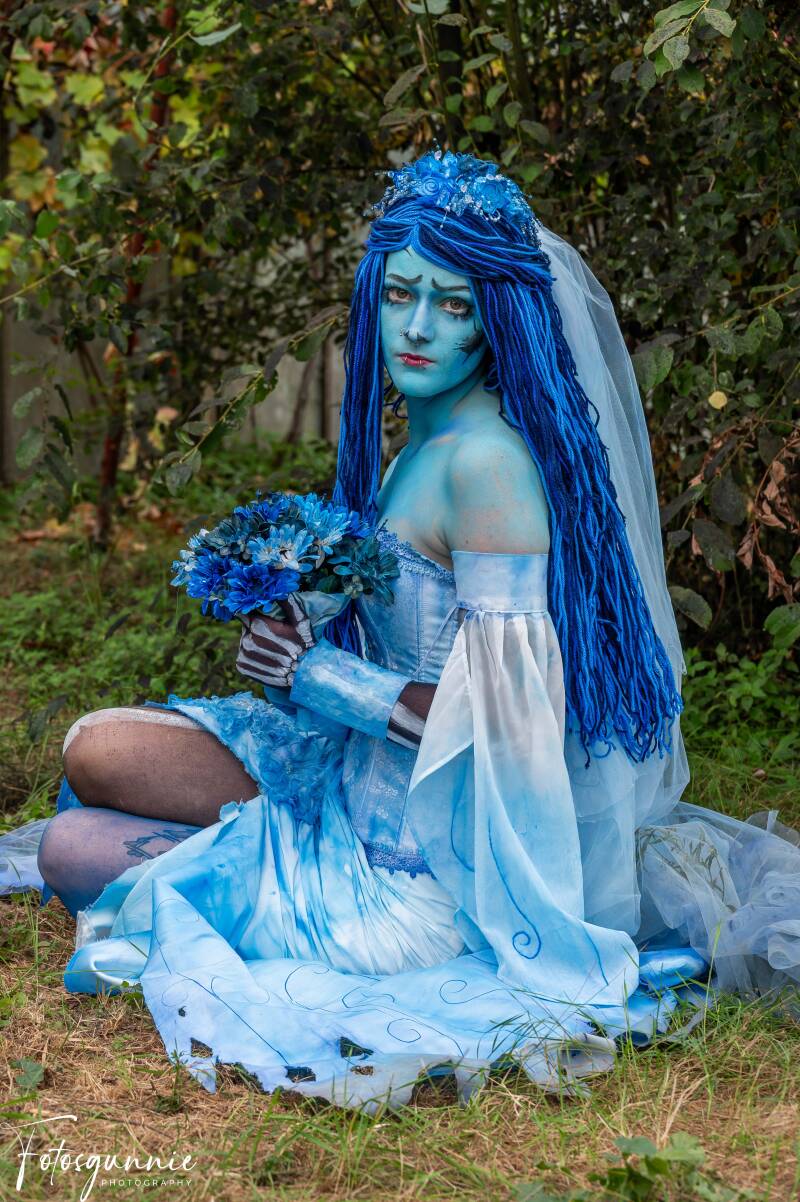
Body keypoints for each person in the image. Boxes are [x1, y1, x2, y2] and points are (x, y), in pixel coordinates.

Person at [1, 149, 798, 1111]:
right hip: (349, 782)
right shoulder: (421, 442)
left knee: (72, 849)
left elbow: (510, 735)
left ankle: (252, 861)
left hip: (421, 871)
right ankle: (247, 848)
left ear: (497, 318)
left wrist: (315, 675)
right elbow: (405, 620)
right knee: (94, 748)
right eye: (401, 295)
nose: (417, 327)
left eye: (453, 304)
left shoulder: (486, 467)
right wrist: (298, 618)